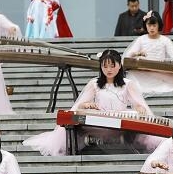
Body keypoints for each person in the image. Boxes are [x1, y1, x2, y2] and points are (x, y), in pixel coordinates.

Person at [23, 50, 158, 156]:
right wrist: (87, 105)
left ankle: (110, 140)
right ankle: (90, 139)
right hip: (100, 121)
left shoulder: (128, 84)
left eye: (112, 65)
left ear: (119, 66)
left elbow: (139, 104)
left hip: (119, 118)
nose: (109, 69)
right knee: (81, 114)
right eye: (105, 66)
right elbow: (80, 105)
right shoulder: (94, 84)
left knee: (135, 116)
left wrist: (139, 107)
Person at [123, 13, 173, 94]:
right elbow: (128, 56)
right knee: (133, 74)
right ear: (145, 25)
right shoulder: (141, 39)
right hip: (144, 70)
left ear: (159, 25)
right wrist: (137, 53)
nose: (151, 28)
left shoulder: (165, 40)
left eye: (154, 26)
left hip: (160, 70)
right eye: (149, 25)